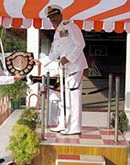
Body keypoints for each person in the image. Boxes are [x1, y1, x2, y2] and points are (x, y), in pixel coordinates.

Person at [41, 5, 88, 135]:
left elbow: (81, 44)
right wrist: (41, 63)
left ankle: (75, 127)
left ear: (60, 15)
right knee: (65, 97)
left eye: (54, 16)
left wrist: (68, 58)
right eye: (50, 18)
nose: (53, 19)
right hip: (65, 69)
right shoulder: (58, 31)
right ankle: (62, 124)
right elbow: (55, 52)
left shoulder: (70, 26)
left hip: (74, 66)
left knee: (73, 97)